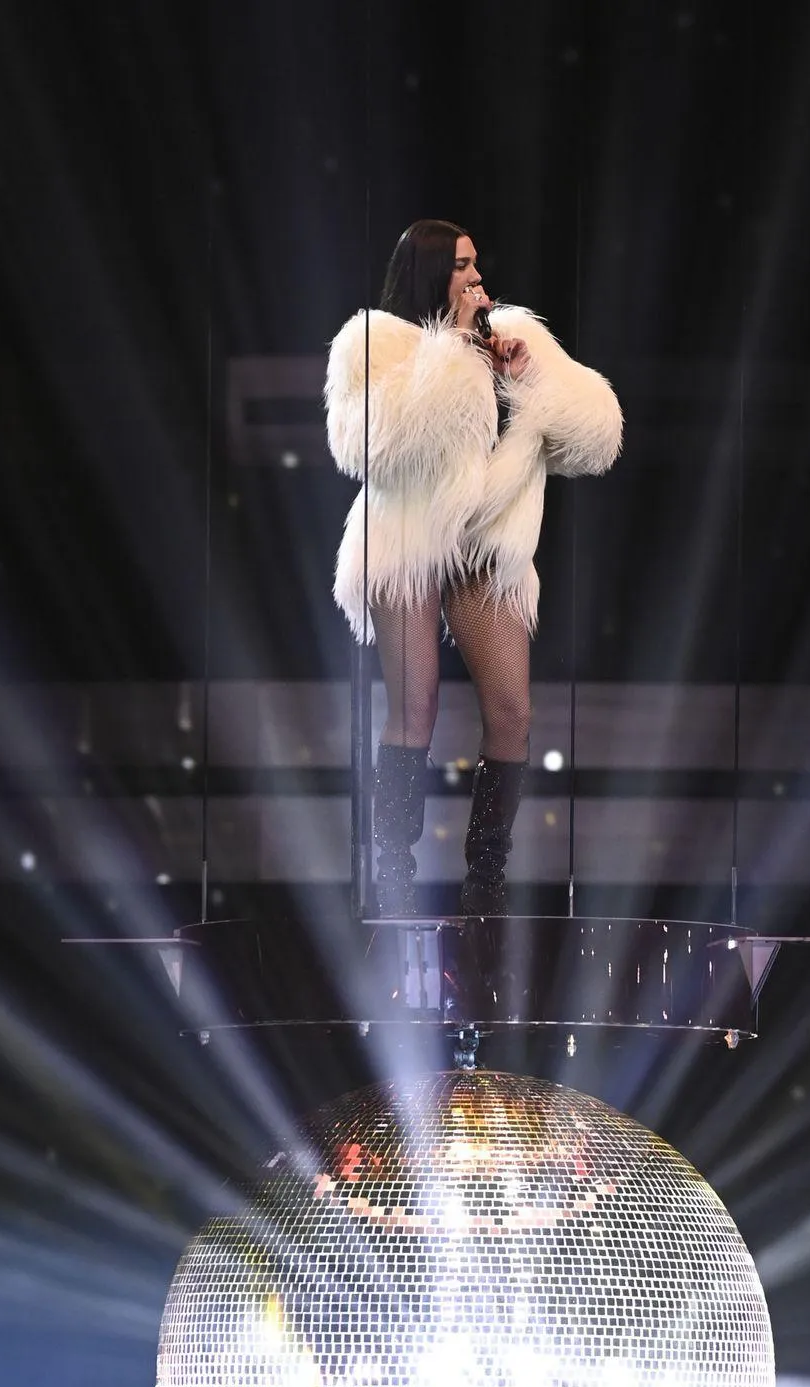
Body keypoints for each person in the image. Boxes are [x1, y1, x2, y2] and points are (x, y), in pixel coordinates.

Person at [325, 218, 623, 916]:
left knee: (512, 711)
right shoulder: (376, 341)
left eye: (477, 264)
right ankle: (393, 878)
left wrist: (523, 382)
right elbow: (368, 446)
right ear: (431, 271)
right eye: (462, 265)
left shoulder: (512, 335)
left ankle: (485, 882)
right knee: (416, 707)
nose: (478, 277)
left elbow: (595, 439)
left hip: (486, 544)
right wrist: (455, 353)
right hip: (408, 539)